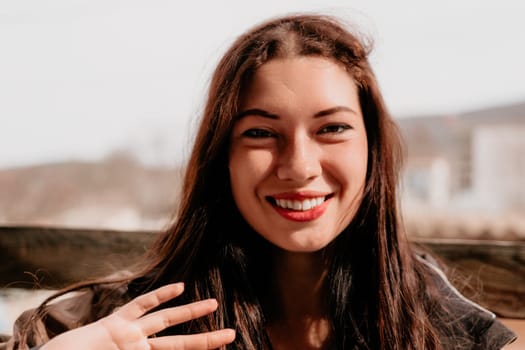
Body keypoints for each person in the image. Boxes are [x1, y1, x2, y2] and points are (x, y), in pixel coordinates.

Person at [0, 13, 517, 350]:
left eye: (331, 128)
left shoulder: (451, 332)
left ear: (373, 149)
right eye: (261, 133)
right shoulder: (113, 328)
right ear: (221, 155)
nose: (299, 166)